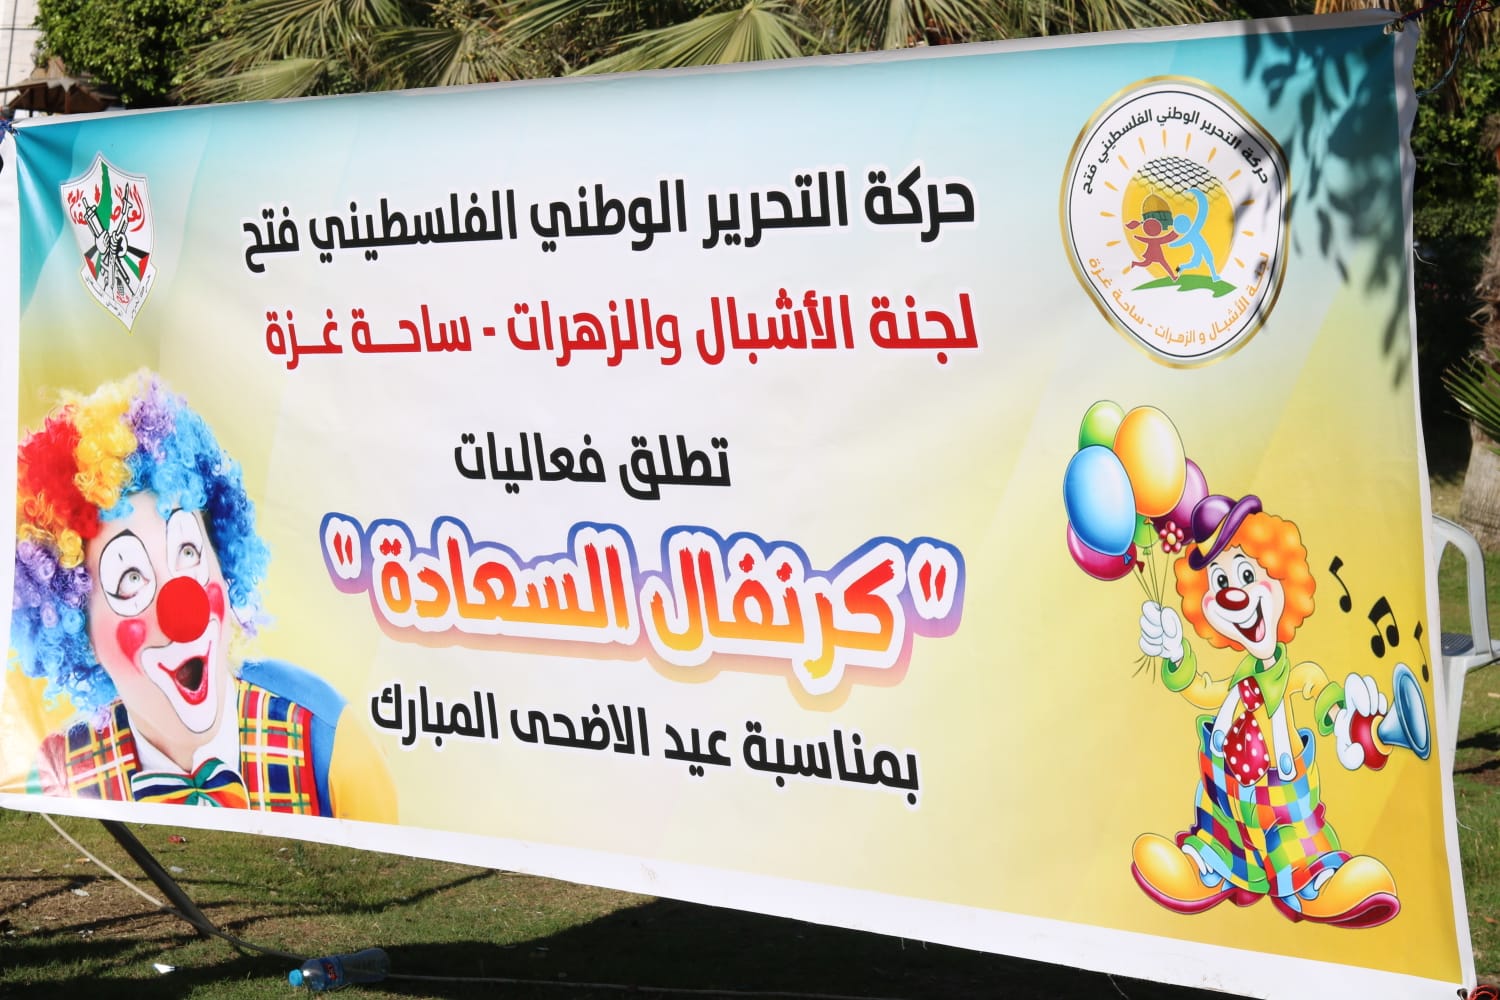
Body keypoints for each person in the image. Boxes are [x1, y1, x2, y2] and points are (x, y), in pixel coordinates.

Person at [12, 371, 394, 820]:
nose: (183, 609)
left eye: (189, 551)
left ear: (221, 558)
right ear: (79, 632)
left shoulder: (330, 748)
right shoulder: (55, 781)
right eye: (130, 578)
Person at [1134, 494, 1415, 928]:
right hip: (1225, 808)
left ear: (1284, 580)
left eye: (1248, 574)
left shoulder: (1297, 677)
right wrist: (1175, 654)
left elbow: (1325, 700)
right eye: (1219, 582)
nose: (1233, 594)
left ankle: (1317, 885)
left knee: (1298, 853)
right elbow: (1201, 690)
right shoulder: (1237, 684)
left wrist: (1351, 722)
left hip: (1284, 810)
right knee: (1216, 842)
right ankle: (1206, 868)